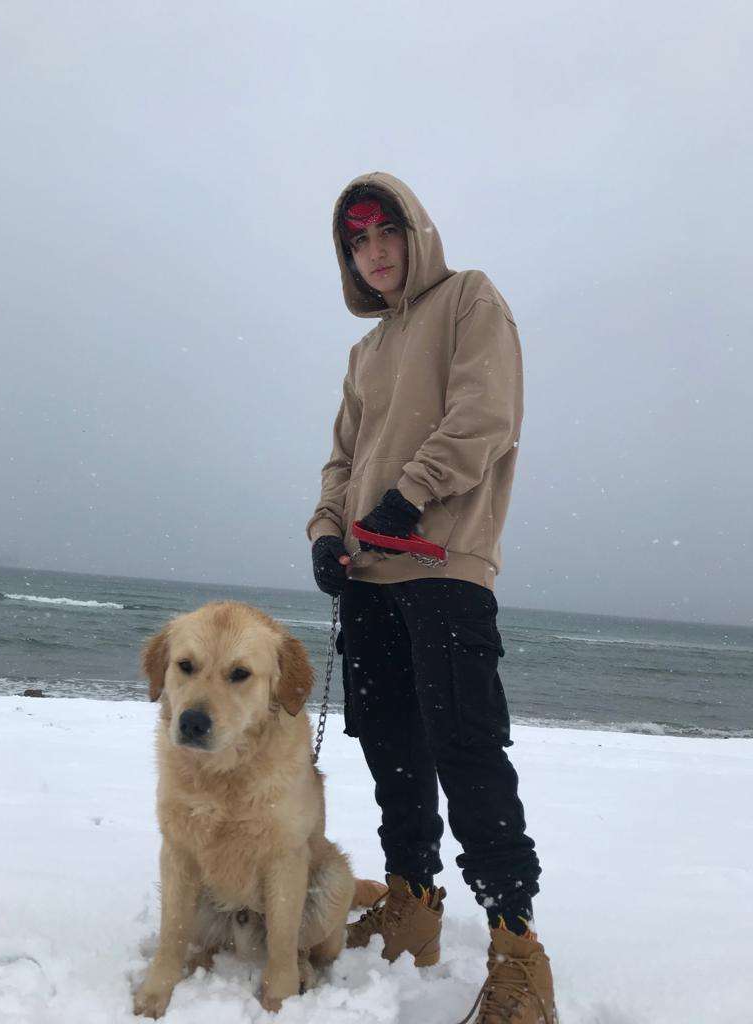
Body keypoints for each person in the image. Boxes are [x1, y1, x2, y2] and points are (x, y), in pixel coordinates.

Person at [307, 172, 557, 1024]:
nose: (375, 253)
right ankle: (412, 903)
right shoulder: (365, 353)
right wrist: (326, 532)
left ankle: (518, 951)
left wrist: (408, 495)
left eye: (386, 233)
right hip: (369, 579)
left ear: (415, 233)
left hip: (444, 566)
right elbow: (342, 460)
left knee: (467, 752)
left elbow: (488, 415)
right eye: (358, 242)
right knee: (392, 751)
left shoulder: (468, 300)